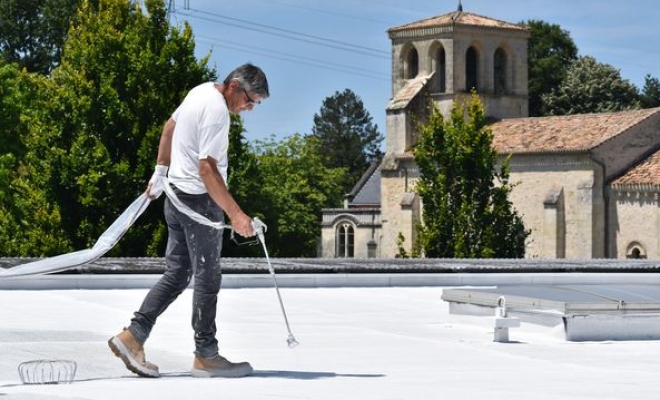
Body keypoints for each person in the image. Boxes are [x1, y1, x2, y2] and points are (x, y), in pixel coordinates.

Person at [108, 63, 269, 378]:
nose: (249, 109)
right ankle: (206, 355)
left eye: (255, 105)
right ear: (235, 86)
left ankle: (132, 336)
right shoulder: (218, 113)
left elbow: (170, 126)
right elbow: (207, 169)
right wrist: (237, 215)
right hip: (199, 204)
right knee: (208, 279)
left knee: (178, 274)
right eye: (250, 100)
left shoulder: (200, 91)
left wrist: (160, 171)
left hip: (175, 198)